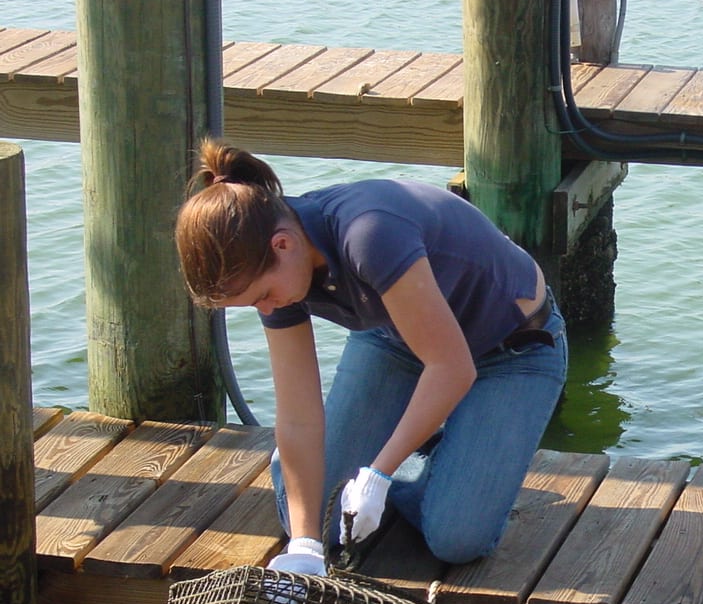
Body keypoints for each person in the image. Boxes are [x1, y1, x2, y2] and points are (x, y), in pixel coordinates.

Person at [174, 139, 568, 575]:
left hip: (511, 349)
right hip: (397, 339)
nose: (267, 309)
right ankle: (413, 448)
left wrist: (379, 473)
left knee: (456, 538)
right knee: (306, 519)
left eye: (263, 296)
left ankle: (427, 459)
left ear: (283, 245)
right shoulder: (276, 266)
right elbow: (298, 416)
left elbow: (452, 366)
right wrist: (304, 545)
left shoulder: (370, 233)